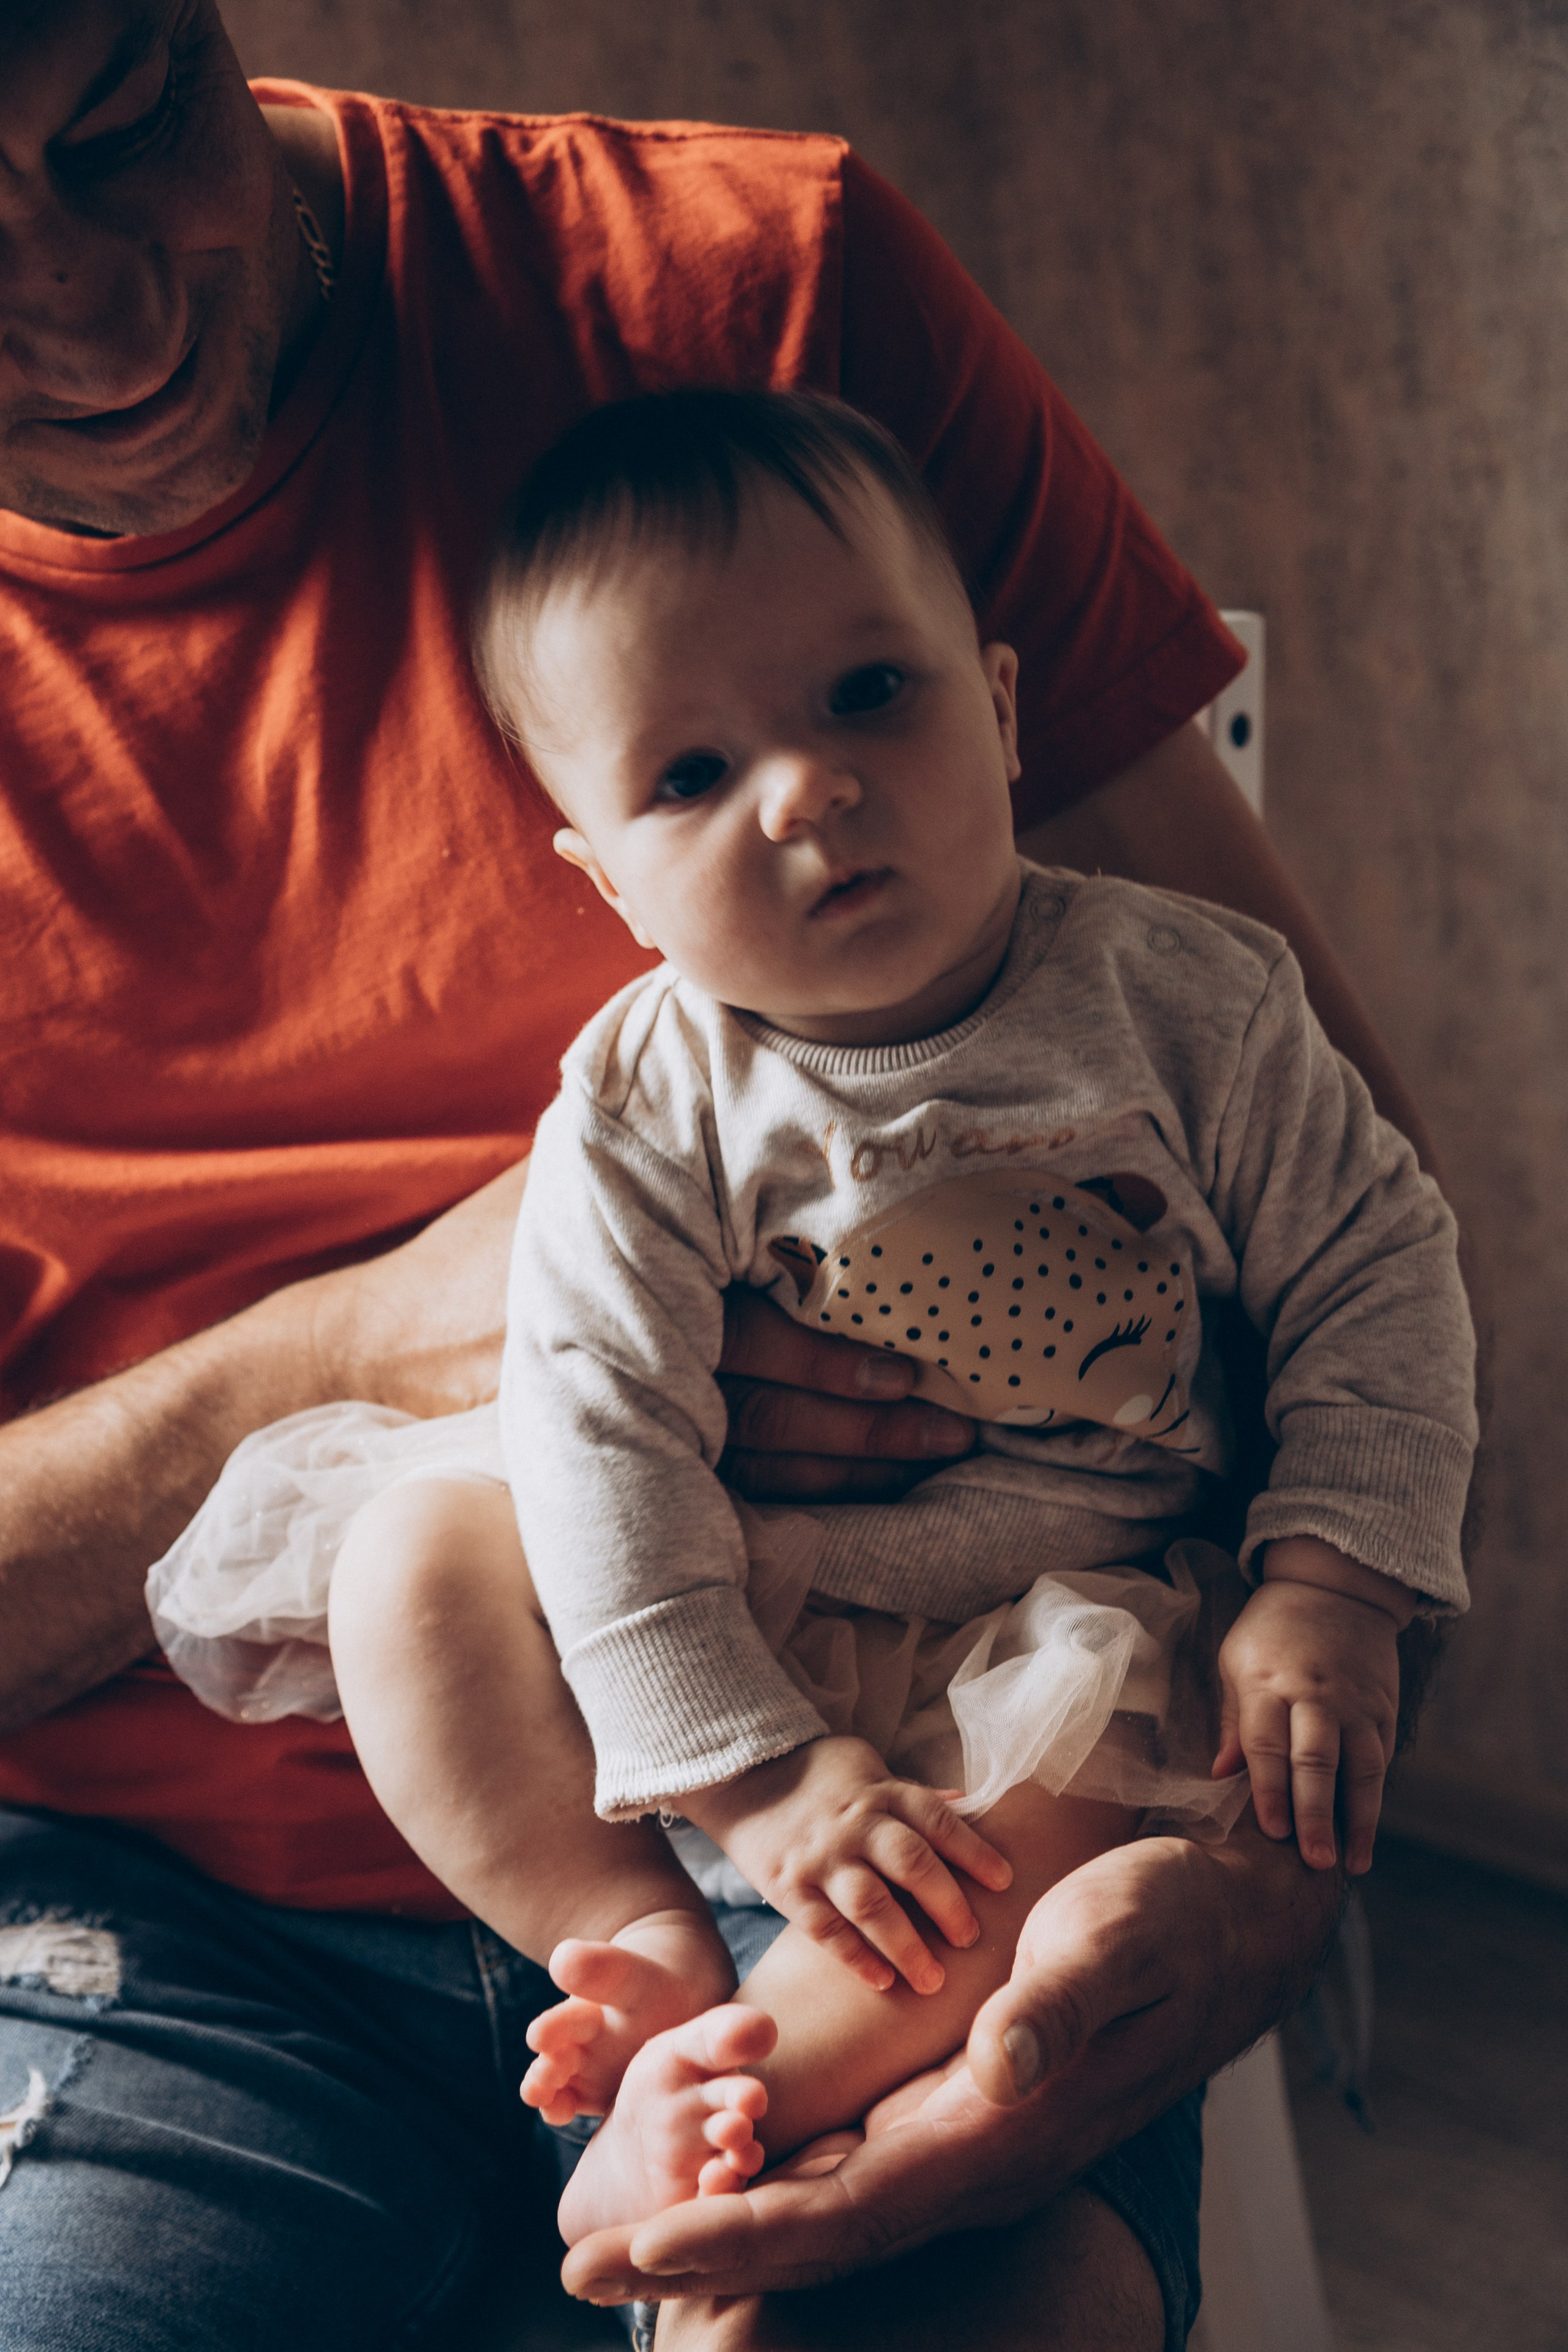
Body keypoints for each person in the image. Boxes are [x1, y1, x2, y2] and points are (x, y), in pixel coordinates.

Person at [0, 6, 1453, 2347]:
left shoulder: (754, 298)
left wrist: (1307, 1739)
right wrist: (353, 1350)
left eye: (125, 126)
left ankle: (743, 2081)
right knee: (415, 1551)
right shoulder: (644, 1093)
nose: (101, 317)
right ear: (592, 867)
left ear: (993, 695)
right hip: (169, 1916)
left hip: (966, 1729)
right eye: (691, 773)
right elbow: (559, 1449)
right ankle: (655, 1993)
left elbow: (1374, 1256)